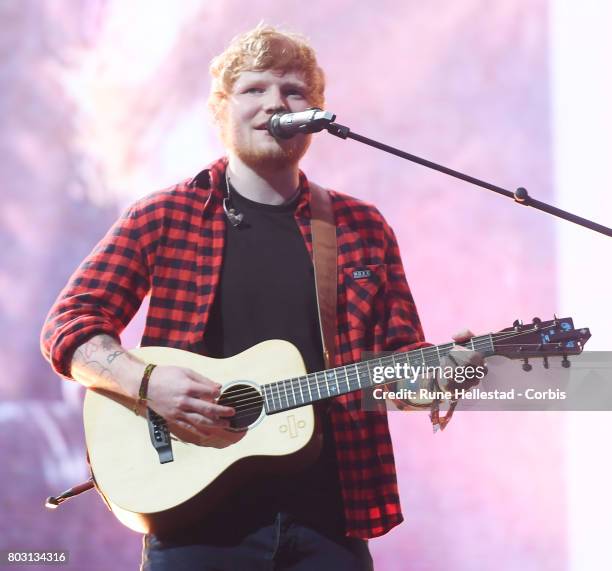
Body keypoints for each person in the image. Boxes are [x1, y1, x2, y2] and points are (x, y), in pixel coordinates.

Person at [41, 24, 482, 571]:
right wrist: (148, 383)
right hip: (193, 524)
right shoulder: (165, 216)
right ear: (221, 109)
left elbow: (396, 375)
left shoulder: (361, 227)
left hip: (329, 522)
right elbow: (69, 324)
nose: (276, 102)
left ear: (316, 115)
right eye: (255, 90)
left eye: (293, 92)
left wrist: (440, 375)